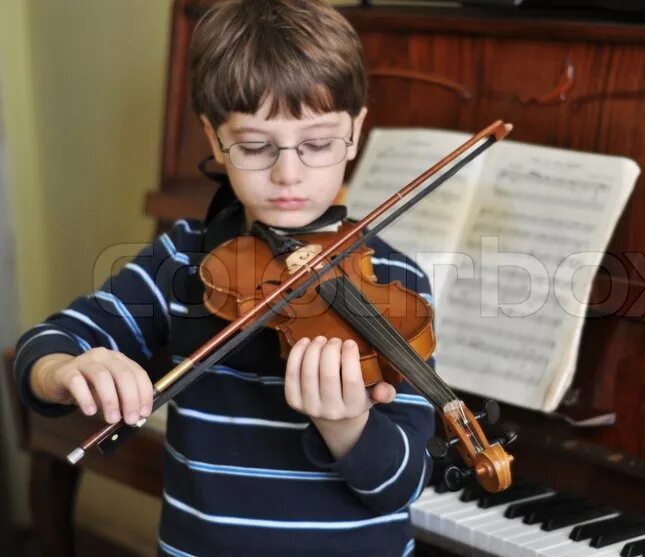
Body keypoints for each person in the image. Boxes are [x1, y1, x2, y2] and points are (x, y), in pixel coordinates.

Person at [13, 1, 435, 555]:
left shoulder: (394, 281)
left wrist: (348, 426)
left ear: (355, 131)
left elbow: (400, 487)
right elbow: (39, 351)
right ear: (214, 139)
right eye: (256, 146)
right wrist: (70, 369)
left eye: (317, 143)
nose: (288, 173)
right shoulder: (183, 264)